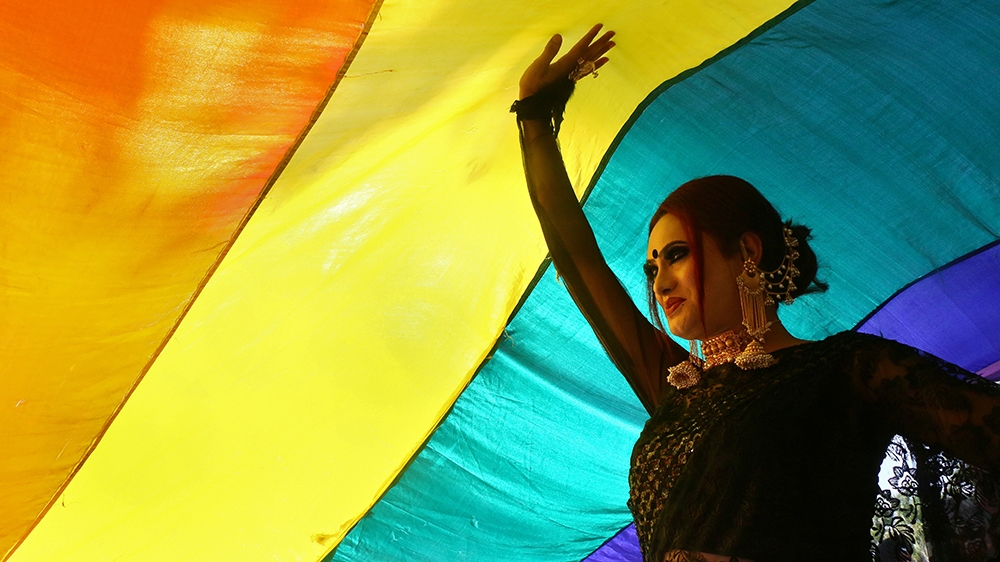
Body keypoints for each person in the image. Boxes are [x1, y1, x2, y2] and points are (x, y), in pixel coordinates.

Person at [512, 25, 1000, 562]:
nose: (659, 280)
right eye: (651, 267)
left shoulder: (849, 370)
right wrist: (534, 120)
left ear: (745, 250)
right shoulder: (677, 397)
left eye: (675, 254)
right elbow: (581, 265)